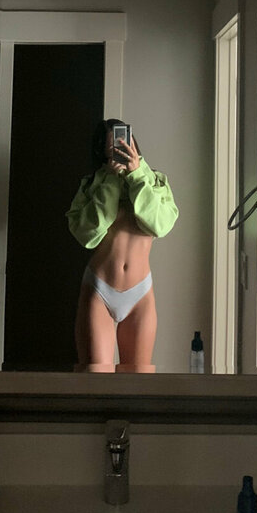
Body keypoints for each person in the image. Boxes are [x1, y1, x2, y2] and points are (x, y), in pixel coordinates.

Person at [66, 119, 178, 373]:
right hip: (99, 288)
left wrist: (137, 176)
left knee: (138, 380)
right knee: (95, 376)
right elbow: (87, 235)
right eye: (111, 149)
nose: (118, 150)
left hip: (140, 293)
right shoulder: (92, 184)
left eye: (121, 143)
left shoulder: (155, 182)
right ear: (102, 153)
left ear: (132, 142)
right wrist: (110, 182)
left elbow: (160, 225)